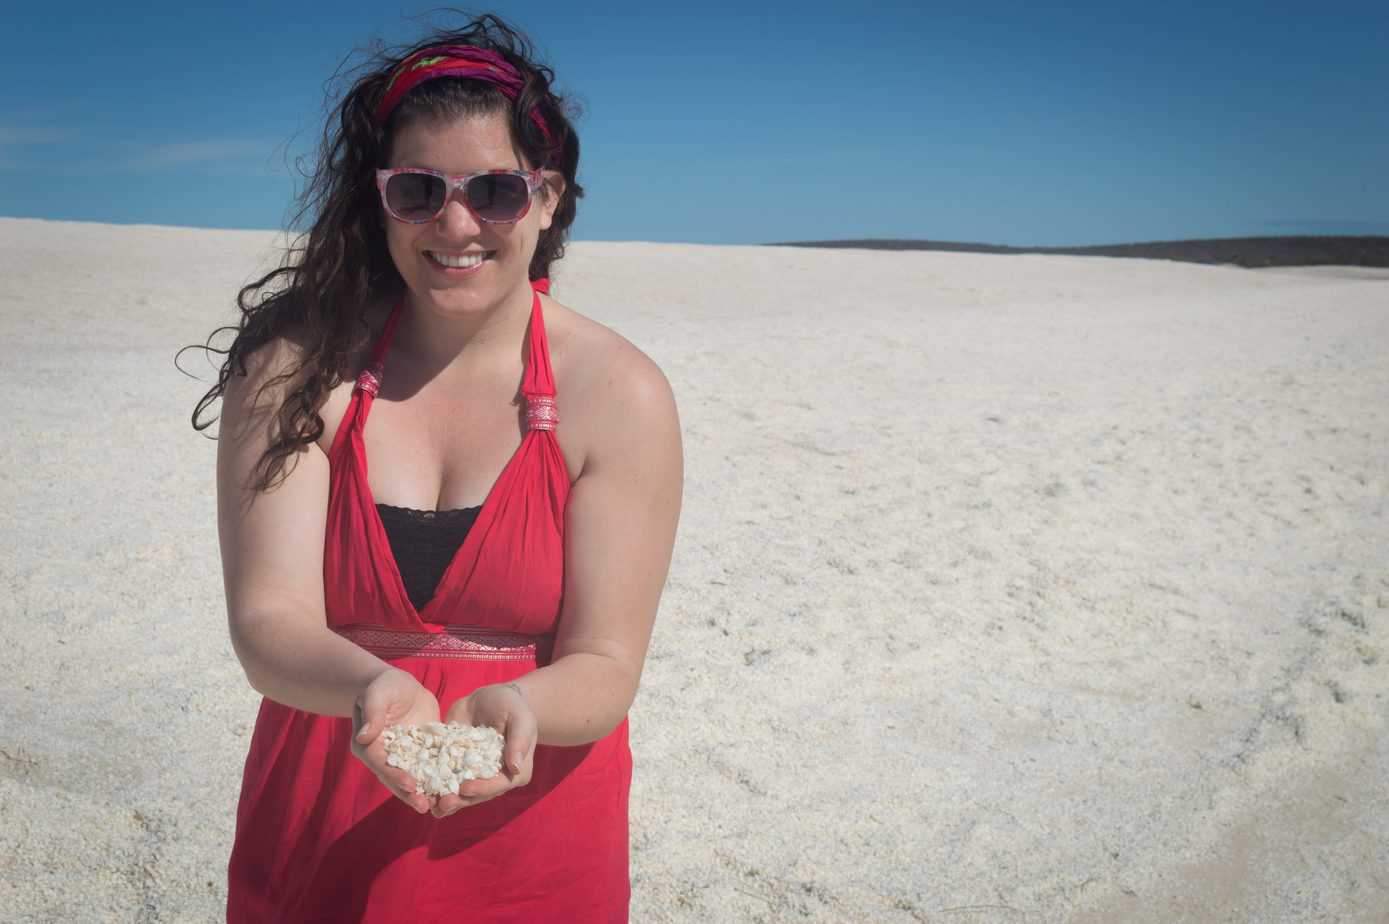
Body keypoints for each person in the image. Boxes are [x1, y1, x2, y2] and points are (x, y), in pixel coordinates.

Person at [192, 13, 682, 922]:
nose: (455, 224)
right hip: (324, 809)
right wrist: (371, 689)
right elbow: (268, 621)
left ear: (546, 199)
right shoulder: (298, 373)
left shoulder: (619, 391)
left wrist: (521, 706)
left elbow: (606, 661)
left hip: (531, 839)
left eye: (494, 191)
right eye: (417, 190)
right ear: (377, 200)